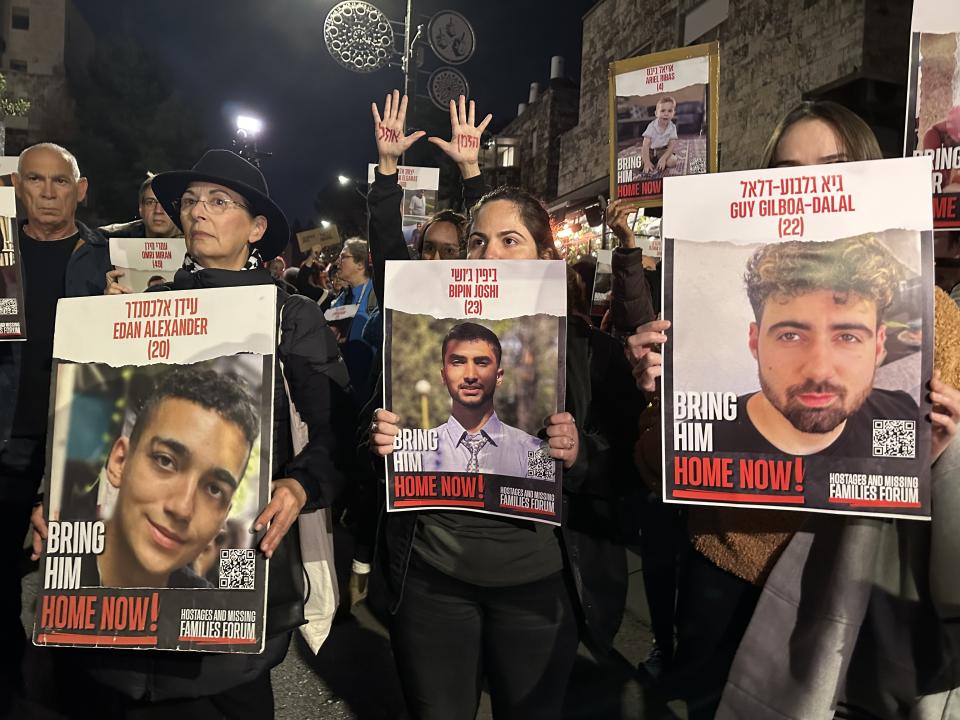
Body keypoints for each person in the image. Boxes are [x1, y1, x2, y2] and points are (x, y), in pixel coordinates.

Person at [629, 100, 960, 719]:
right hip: (724, 580)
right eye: (788, 171)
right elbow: (654, 466)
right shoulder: (702, 312)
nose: (809, 188)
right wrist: (657, 397)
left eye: (833, 168)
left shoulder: (938, 316)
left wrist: (944, 454)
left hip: (851, 593)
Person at [51, 148, 355, 719]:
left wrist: (299, 487)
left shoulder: (290, 317)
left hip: (233, 600)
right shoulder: (151, 306)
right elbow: (90, 421)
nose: (198, 213)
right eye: (190, 202)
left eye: (220, 202)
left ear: (256, 229)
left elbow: (334, 436)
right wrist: (58, 500)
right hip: (123, 629)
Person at [366, 92, 638, 720]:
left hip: (540, 589)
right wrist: (378, 435)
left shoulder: (591, 352)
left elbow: (629, 468)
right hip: (433, 579)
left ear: (546, 256)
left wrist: (582, 456)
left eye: (510, 242)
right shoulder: (433, 329)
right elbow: (395, 280)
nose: (490, 255)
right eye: (478, 243)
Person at [0, 142, 109, 714]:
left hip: (79, 445)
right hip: (6, 440)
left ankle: (71, 691)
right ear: (17, 185)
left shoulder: (106, 255)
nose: (47, 193)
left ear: (80, 188)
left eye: (59, 182)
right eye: (36, 181)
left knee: (78, 582)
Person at [712, 234, 917, 459]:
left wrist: (934, 456)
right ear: (754, 342)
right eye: (790, 336)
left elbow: (901, 473)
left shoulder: (898, 416)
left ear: (878, 347)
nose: (819, 372)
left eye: (848, 337)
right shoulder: (703, 443)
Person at [91, 366, 259, 589]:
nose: (182, 508)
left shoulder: (241, 531)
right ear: (120, 461)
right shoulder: (54, 565)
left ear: (224, 518)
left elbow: (239, 593)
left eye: (214, 489)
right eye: (165, 461)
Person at [423, 322, 552, 478]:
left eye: (481, 363)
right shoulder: (418, 454)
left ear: (499, 377)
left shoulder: (534, 452)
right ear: (444, 376)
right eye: (458, 362)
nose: (470, 375)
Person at [100, 173, 180, 239]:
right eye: (150, 202)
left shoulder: (190, 240)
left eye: (165, 202)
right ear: (141, 209)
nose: (158, 211)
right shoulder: (111, 236)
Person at [642, 96, 679, 175]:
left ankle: (660, 161)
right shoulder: (651, 126)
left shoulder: (672, 127)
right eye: (662, 111)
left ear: (673, 113)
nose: (666, 114)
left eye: (670, 111)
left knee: (672, 162)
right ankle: (652, 162)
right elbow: (645, 145)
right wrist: (647, 162)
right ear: (656, 113)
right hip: (650, 151)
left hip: (663, 150)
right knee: (640, 163)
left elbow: (671, 145)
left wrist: (664, 158)